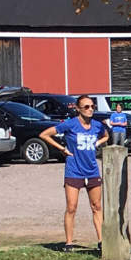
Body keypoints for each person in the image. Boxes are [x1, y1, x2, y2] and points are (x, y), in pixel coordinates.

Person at [39, 95, 108, 252]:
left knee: (97, 206)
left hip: (92, 170)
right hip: (74, 170)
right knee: (71, 207)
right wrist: (62, 149)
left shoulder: (97, 126)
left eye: (92, 106)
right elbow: (44, 134)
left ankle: (101, 241)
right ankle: (69, 242)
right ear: (78, 108)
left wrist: (98, 142)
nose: (90, 109)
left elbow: (106, 135)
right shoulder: (70, 124)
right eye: (86, 107)